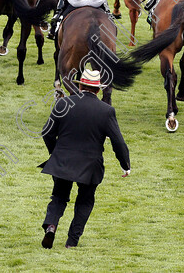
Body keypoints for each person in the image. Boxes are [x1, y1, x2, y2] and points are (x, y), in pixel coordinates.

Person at [40, 67, 130, 249]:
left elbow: (47, 132)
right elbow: (118, 142)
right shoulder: (106, 111)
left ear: (80, 86)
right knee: (85, 201)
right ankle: (71, 242)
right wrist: (125, 164)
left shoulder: (63, 104)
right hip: (90, 166)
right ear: (98, 90)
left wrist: (55, 152)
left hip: (62, 161)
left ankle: (51, 226)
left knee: (58, 196)